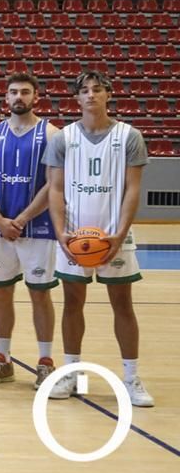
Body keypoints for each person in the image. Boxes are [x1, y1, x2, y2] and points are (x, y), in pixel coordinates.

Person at [45, 71, 153, 407]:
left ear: (108, 95)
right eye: (84, 91)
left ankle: (131, 378)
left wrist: (119, 235)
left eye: (97, 89)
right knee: (72, 303)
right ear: (76, 99)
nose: (91, 95)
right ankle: (71, 373)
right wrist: (61, 232)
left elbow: (133, 190)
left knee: (123, 305)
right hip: (74, 237)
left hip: (113, 235)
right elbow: (57, 189)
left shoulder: (129, 136)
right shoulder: (63, 139)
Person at [0, 74, 59, 389]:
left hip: (38, 228)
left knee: (40, 294)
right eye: (13, 92)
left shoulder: (51, 134)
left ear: (36, 96)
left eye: (25, 91)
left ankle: (45, 362)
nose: (18, 97)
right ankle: (3, 359)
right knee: (1, 293)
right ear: (5, 98)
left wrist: (20, 219)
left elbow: (53, 184)